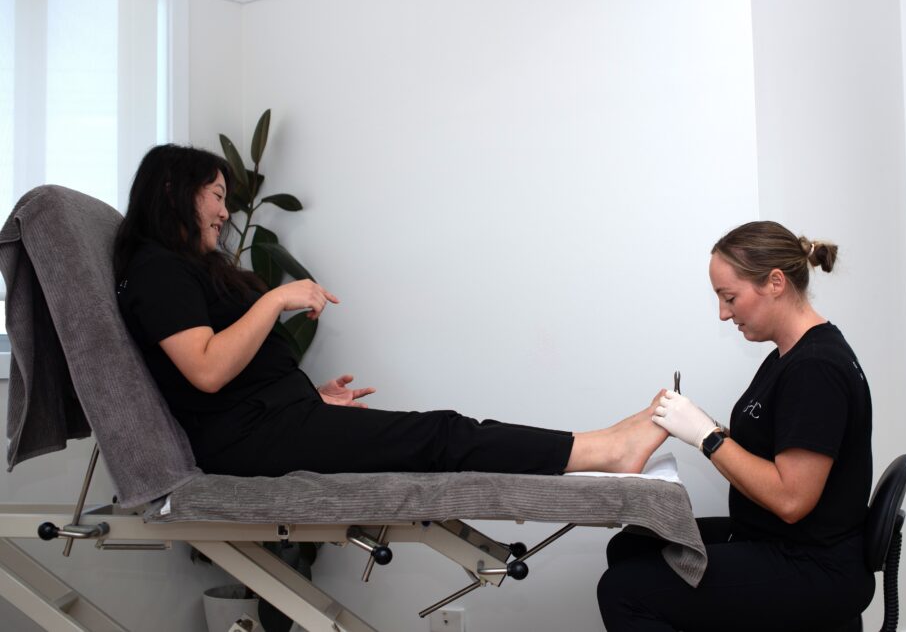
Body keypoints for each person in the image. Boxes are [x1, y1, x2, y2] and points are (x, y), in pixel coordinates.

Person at [114, 144, 667, 479]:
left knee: (442, 433)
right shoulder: (157, 269)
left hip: (270, 423)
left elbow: (228, 376)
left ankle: (602, 441)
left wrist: (309, 398)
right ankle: (604, 450)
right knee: (441, 435)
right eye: (216, 194)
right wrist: (276, 298)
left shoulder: (185, 268)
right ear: (174, 191)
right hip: (248, 441)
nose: (225, 211)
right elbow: (207, 370)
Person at [597, 222, 874, 631]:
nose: (724, 313)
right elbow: (767, 446)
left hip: (813, 564)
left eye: (730, 298)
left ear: (775, 283)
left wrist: (707, 438)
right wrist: (699, 424)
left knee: (621, 589)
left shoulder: (816, 368)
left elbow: (792, 500)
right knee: (630, 546)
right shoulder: (788, 356)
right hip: (778, 541)